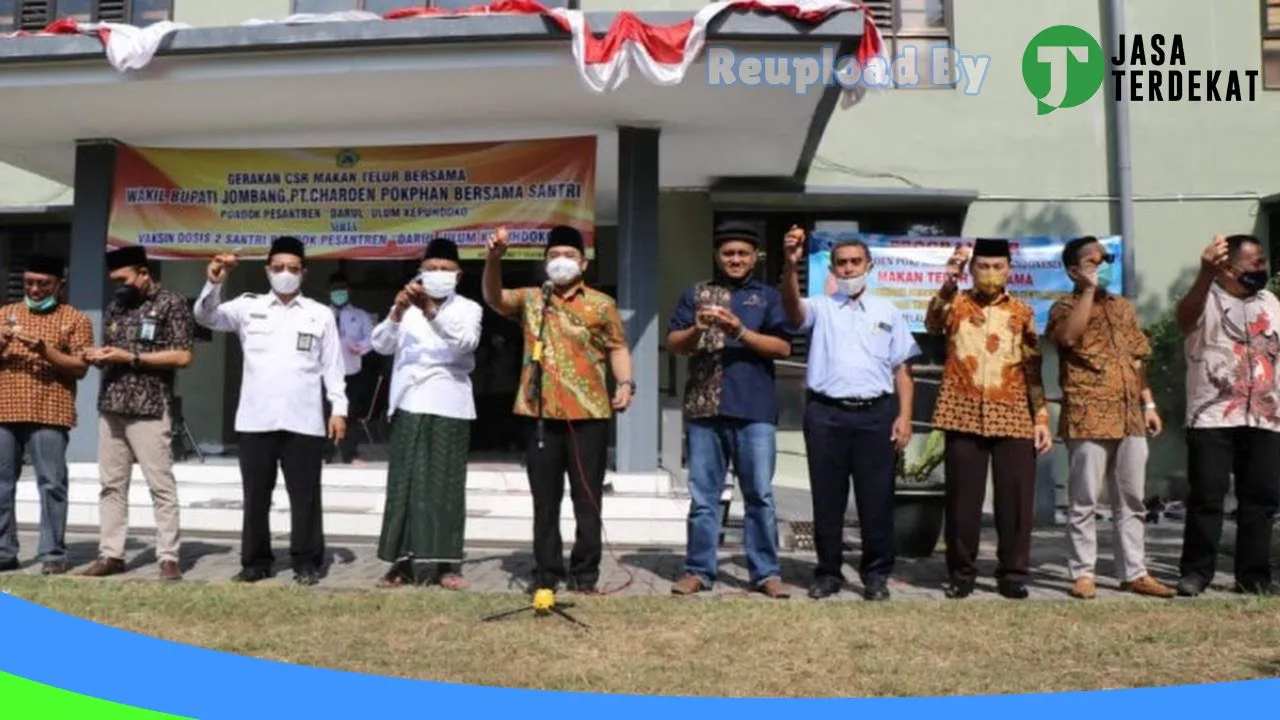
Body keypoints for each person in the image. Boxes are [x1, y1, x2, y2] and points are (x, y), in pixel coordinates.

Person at [481, 225, 634, 594]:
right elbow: (494, 298)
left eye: (568, 256)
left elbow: (617, 347)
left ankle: (585, 572)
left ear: (583, 263)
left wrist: (626, 384)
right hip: (539, 415)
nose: (560, 262)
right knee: (545, 500)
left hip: (589, 416)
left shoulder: (601, 304)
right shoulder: (533, 299)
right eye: (553, 256)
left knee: (587, 498)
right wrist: (493, 259)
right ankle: (546, 571)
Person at [193, 237, 347, 586]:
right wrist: (214, 281)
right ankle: (255, 562)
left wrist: (338, 408)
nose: (285, 274)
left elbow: (332, 367)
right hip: (256, 419)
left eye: (293, 269)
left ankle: (306, 561)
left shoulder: (319, 314)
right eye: (278, 268)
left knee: (305, 497)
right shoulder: (247, 307)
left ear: (304, 273)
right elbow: (206, 316)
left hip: (304, 420)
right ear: (267, 270)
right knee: (256, 496)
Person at [779, 227, 920, 601]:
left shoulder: (888, 311)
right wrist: (790, 268)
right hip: (826, 415)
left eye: (855, 262)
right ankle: (828, 573)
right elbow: (792, 312)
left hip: (876, 416)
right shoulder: (820, 307)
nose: (848, 269)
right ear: (833, 269)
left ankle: (876, 575)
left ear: (868, 266)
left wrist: (904, 417)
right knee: (827, 500)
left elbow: (904, 371)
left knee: (877, 499)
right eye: (841, 263)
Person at [666, 221, 793, 599]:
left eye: (742, 253)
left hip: (754, 409)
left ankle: (766, 573)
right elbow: (673, 342)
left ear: (755, 257)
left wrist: (740, 331)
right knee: (704, 497)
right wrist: (697, 330)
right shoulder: (698, 294)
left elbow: (783, 348)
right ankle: (698, 570)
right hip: (705, 409)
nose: (735, 260)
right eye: (728, 253)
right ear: (716, 257)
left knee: (759, 495)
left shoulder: (768, 297)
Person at [1045, 237, 1174, 600]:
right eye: (1092, 260)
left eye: (1105, 258)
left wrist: (1148, 405)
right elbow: (1068, 339)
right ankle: (1083, 573)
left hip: (1129, 414)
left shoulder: (1123, 308)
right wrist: (1087, 292)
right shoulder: (1063, 307)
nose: (1101, 264)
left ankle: (1134, 572)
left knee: (1132, 499)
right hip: (1088, 414)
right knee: (1084, 499)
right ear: (1074, 270)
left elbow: (1136, 361)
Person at [924, 239, 1053, 600]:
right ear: (972, 269)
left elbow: (1032, 368)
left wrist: (1040, 417)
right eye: (983, 266)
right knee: (963, 500)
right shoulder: (956, 305)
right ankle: (961, 573)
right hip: (962, 411)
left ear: (1010, 270)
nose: (991, 274)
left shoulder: (1022, 312)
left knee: (1015, 501)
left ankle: (1012, 572)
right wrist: (949, 281)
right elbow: (932, 323)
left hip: (1013, 412)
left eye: (998, 267)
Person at [371, 238, 482, 590]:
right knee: (405, 486)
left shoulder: (468, 308)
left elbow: (466, 344)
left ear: (458, 275)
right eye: (430, 268)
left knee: (445, 487)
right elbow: (380, 345)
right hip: (408, 403)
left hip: (449, 404)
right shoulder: (405, 309)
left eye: (445, 270)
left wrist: (432, 312)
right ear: (420, 271)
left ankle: (447, 565)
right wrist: (396, 312)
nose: (437, 275)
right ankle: (402, 563)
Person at [79, 246, 194, 582]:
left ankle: (168, 556)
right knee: (111, 485)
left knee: (160, 484)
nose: (119, 287)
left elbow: (184, 356)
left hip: (150, 407)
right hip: (112, 405)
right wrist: (99, 355)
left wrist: (132, 358)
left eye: (124, 279)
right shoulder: (117, 305)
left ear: (143, 272)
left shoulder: (171, 304)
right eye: (115, 281)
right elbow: (116, 350)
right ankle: (111, 553)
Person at [1174, 234, 1280, 596]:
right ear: (1229, 268)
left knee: (1261, 499)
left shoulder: (1270, 302)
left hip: (1265, 417)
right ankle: (1196, 573)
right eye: (1255, 263)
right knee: (1207, 497)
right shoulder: (1205, 299)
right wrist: (1204, 274)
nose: (1262, 269)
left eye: (1263, 262)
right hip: (1213, 416)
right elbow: (1184, 319)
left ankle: (1253, 576)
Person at [0, 255, 92, 575]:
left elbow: (80, 367)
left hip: (50, 410)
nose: (35, 289)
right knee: (2, 484)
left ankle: (52, 552)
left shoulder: (74, 318)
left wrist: (44, 349)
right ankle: (4, 552)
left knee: (51, 483)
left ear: (59, 283)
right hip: (5, 408)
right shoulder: (6, 314)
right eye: (29, 283)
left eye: (43, 283)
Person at [326, 272, 374, 465]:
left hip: (351, 370)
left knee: (351, 412)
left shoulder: (360, 315)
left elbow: (372, 337)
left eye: (342, 289)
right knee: (325, 412)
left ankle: (350, 454)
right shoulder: (321, 313)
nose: (339, 293)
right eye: (335, 289)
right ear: (328, 291)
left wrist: (362, 347)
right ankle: (325, 453)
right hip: (326, 372)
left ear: (349, 291)